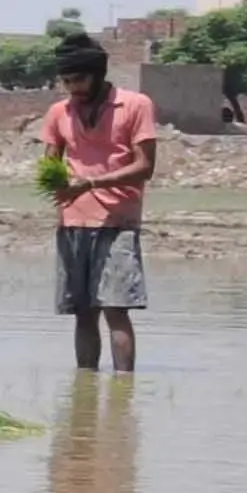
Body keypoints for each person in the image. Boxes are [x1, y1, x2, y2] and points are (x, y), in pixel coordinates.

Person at [39, 34, 155, 373]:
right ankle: (85, 386)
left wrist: (91, 183)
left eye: (79, 79)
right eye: (66, 81)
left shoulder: (135, 105)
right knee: (83, 313)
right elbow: (50, 163)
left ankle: (123, 385)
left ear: (98, 74)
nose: (72, 88)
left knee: (116, 310)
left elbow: (145, 167)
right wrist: (55, 182)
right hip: (73, 222)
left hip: (118, 222)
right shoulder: (59, 112)